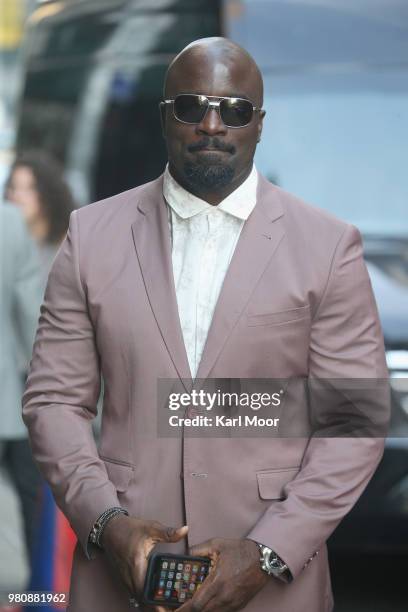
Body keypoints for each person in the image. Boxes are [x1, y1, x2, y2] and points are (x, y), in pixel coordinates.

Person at [22, 38, 389, 612]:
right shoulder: (90, 235)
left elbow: (354, 420)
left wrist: (270, 550)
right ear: (165, 117)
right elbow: (53, 401)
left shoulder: (327, 245)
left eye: (235, 109)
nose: (213, 124)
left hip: (274, 584)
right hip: (125, 575)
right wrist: (106, 521)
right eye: (192, 106)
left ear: (260, 124)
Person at [0, 203, 42, 565]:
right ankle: (31, 594)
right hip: (5, 398)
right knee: (28, 499)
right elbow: (31, 312)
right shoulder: (10, 221)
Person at [4, 150, 76, 289]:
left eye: (29, 188)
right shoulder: (7, 243)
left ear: (48, 193)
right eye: (13, 187)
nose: (17, 196)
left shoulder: (68, 248)